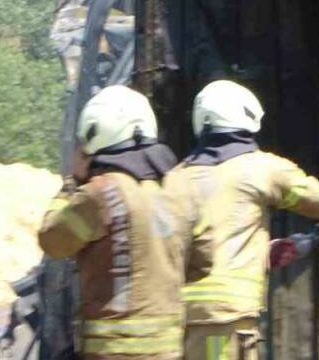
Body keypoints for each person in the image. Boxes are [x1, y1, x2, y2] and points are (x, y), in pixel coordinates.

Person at [167, 80, 319, 360]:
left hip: (177, 319)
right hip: (221, 320)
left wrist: (261, 253)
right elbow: (306, 193)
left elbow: (205, 237)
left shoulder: (175, 178)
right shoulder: (258, 168)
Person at [38, 85, 199, 359]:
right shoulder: (177, 189)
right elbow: (200, 260)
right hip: (169, 352)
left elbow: (52, 240)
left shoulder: (100, 193)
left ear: (93, 135)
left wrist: (70, 184)